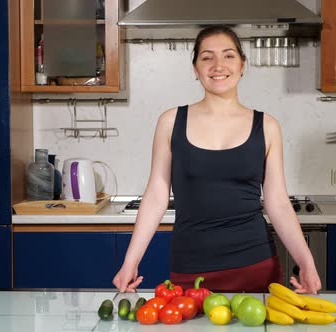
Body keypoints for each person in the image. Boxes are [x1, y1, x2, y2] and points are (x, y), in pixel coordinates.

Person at [113, 25, 321, 294]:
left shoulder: (267, 126)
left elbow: (278, 203)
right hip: (190, 268)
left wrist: (306, 261)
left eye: (228, 56)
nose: (218, 65)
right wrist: (131, 261)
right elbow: (156, 195)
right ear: (195, 68)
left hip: (254, 265)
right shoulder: (170, 122)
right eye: (207, 57)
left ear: (243, 65)